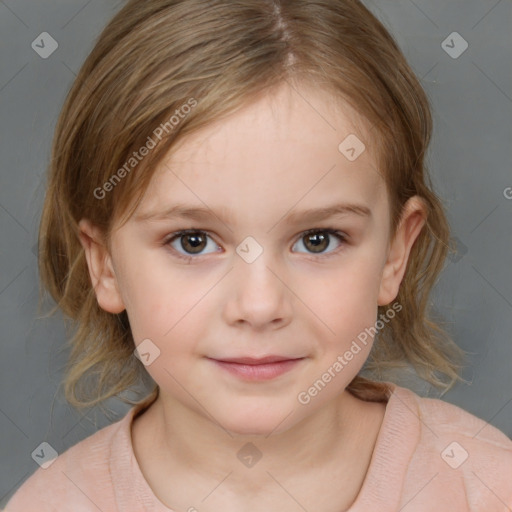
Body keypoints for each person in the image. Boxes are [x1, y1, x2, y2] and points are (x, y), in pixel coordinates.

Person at [5, 0, 512, 510]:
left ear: (395, 254)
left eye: (318, 240)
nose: (260, 304)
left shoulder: (486, 485)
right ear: (105, 264)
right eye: (193, 241)